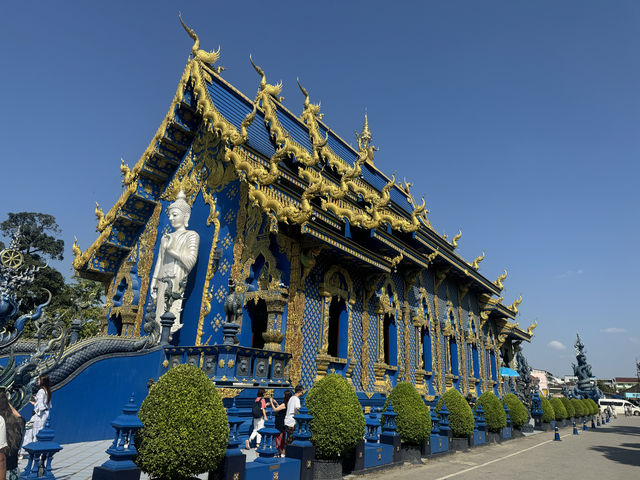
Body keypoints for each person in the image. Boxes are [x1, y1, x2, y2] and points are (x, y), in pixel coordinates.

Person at [150, 190, 200, 334]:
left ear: (186, 216)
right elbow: (159, 261)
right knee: (158, 313)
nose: (171, 218)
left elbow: (190, 261)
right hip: (162, 279)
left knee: (170, 310)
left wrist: (172, 251)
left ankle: (166, 336)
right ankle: (158, 337)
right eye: (170, 215)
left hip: (177, 277)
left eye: (175, 215)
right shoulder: (166, 237)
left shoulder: (191, 235)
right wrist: (154, 282)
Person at [21, 375, 51, 451]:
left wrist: (35, 406)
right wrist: (35, 402)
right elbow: (46, 404)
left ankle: (30, 450)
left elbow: (41, 406)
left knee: (32, 431)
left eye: (39, 380)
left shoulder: (41, 391)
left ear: (42, 382)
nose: (38, 381)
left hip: (38, 416)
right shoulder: (47, 391)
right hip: (44, 415)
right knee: (34, 431)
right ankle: (35, 450)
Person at [0, 390, 25, 480]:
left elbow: (2, 459)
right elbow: (20, 418)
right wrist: (8, 404)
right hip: (13, 472)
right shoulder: (18, 424)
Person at [271, 390, 291, 455]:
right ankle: (280, 450)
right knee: (282, 435)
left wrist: (271, 402)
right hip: (283, 420)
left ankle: (279, 450)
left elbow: (275, 409)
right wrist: (276, 403)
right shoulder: (288, 403)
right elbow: (280, 408)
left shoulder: (284, 403)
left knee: (279, 435)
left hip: (280, 421)